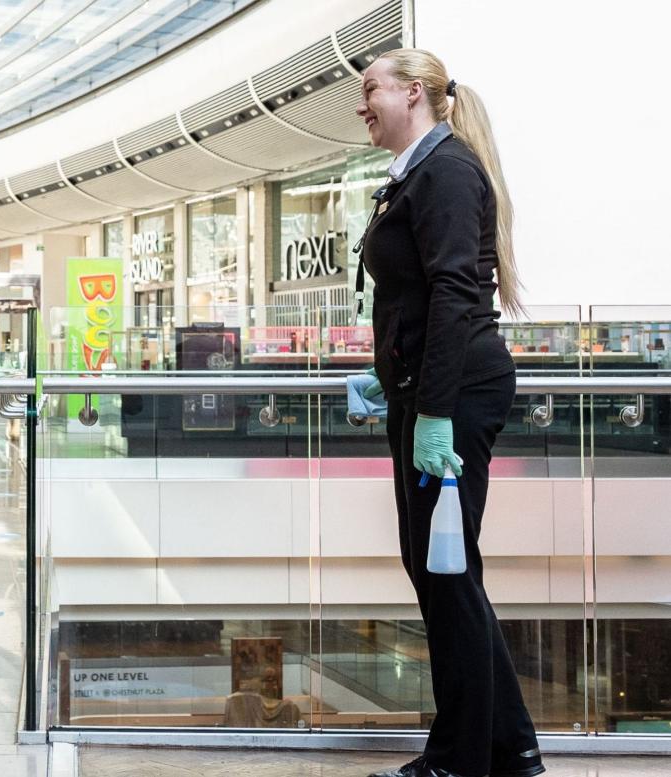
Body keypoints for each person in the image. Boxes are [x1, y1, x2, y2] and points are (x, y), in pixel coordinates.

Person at [353, 49, 543, 777]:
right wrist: (387, 379)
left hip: (456, 395)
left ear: (414, 93)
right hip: (428, 392)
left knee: (447, 570)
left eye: (371, 89)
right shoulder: (416, 176)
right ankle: (510, 744)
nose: (363, 105)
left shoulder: (448, 173)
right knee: (440, 568)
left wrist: (431, 411)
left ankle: (461, 760)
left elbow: (457, 297)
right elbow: (414, 299)